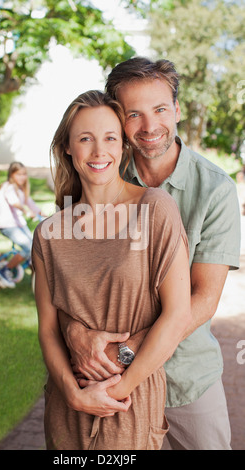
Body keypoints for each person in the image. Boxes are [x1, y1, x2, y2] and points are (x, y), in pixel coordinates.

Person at [60, 58, 241, 450]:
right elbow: (64, 273)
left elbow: (204, 300)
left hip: (184, 377)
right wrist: (75, 332)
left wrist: (125, 353)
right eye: (133, 115)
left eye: (160, 109)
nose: (149, 126)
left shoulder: (215, 190)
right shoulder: (102, 167)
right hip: (103, 376)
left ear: (177, 109)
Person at [32, 90, 192, 450]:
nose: (99, 151)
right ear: (68, 147)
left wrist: (117, 389)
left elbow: (177, 315)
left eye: (109, 138)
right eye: (85, 139)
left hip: (130, 403)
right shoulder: (48, 234)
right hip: (66, 408)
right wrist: (75, 395)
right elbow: (47, 328)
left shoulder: (155, 209)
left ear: (123, 147)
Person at [0, 161, 43, 288]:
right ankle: (5, 270)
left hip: (19, 224)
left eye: (24, 174)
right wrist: (26, 211)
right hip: (8, 225)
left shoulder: (21, 190)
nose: (22, 177)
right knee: (29, 249)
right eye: (19, 174)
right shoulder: (8, 187)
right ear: (12, 175)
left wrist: (44, 215)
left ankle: (37, 280)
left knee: (35, 249)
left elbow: (31, 204)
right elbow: (14, 202)